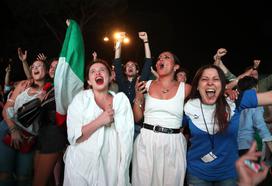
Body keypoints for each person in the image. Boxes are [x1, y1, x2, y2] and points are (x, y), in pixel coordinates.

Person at [183, 64, 272, 185]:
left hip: (228, 174)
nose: (210, 83)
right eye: (204, 79)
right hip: (197, 173)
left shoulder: (235, 101)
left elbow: (269, 97)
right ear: (197, 86)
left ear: (222, 85)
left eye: (216, 79)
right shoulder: (187, 107)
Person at [63, 59, 134, 185]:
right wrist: (101, 120)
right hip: (81, 167)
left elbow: (126, 141)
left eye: (102, 70)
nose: (98, 73)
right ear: (89, 81)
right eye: (93, 71)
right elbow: (74, 137)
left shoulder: (120, 102)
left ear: (111, 76)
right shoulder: (80, 100)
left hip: (109, 168)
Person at [132, 51, 191, 186]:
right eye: (159, 58)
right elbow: (137, 118)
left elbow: (206, 96)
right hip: (147, 139)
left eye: (166, 57)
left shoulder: (186, 88)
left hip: (173, 142)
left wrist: (228, 90)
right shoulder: (146, 85)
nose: (160, 60)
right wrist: (138, 97)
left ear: (176, 67)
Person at [0, 59, 48, 186]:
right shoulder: (23, 85)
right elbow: (6, 109)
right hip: (8, 130)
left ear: (47, 70)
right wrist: (13, 130)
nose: (35, 68)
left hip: (28, 138)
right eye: (33, 67)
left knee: (24, 178)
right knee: (5, 175)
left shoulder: (50, 92)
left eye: (40, 66)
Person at [32, 58, 67, 186]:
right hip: (41, 135)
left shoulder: (64, 88)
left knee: (39, 182)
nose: (52, 69)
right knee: (38, 177)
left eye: (56, 66)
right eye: (51, 67)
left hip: (53, 135)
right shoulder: (49, 87)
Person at [237, 76, 272, 156]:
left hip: (233, 147)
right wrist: (270, 145)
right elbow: (261, 126)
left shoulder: (236, 102)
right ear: (256, 87)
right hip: (248, 146)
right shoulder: (255, 104)